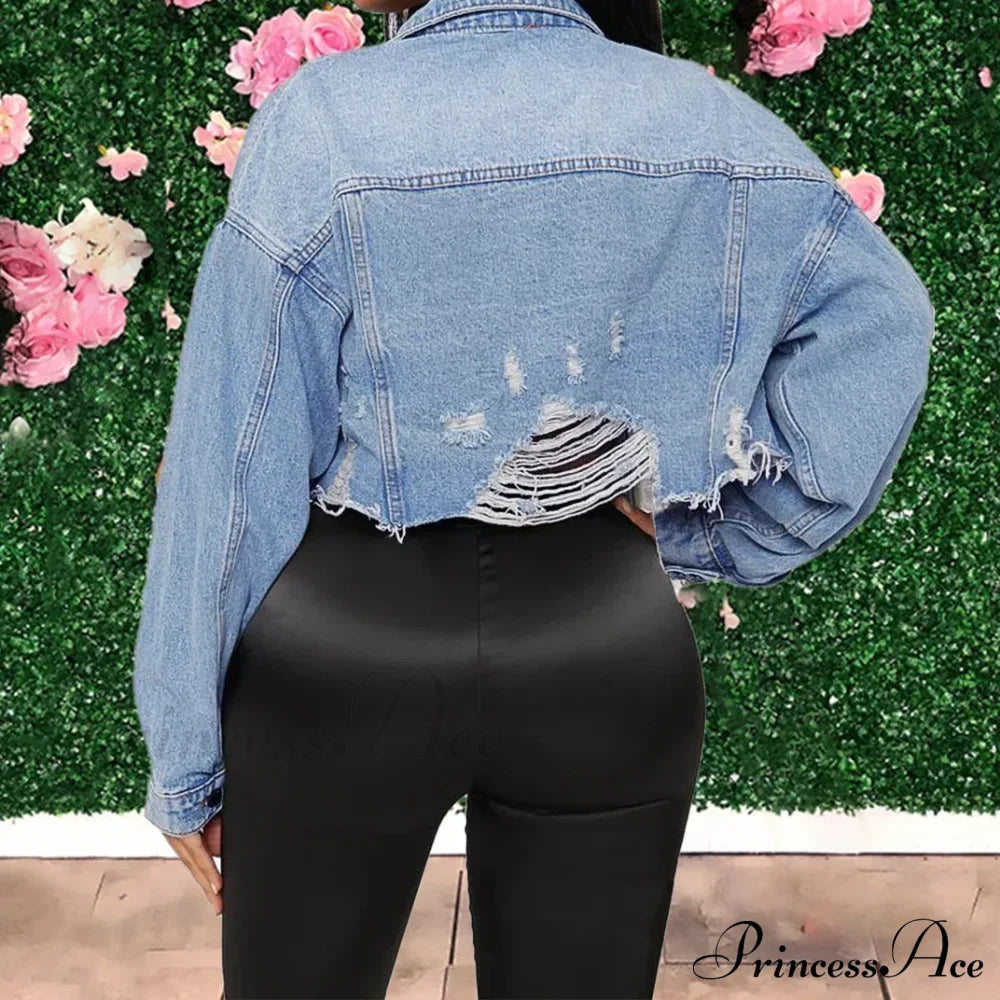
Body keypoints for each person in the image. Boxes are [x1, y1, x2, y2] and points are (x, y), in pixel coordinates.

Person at [131, 0, 935, 996]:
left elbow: (231, 468)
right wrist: (715, 529)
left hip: (342, 654)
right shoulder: (705, 120)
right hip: (603, 645)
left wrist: (187, 760)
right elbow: (885, 321)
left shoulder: (325, 121)